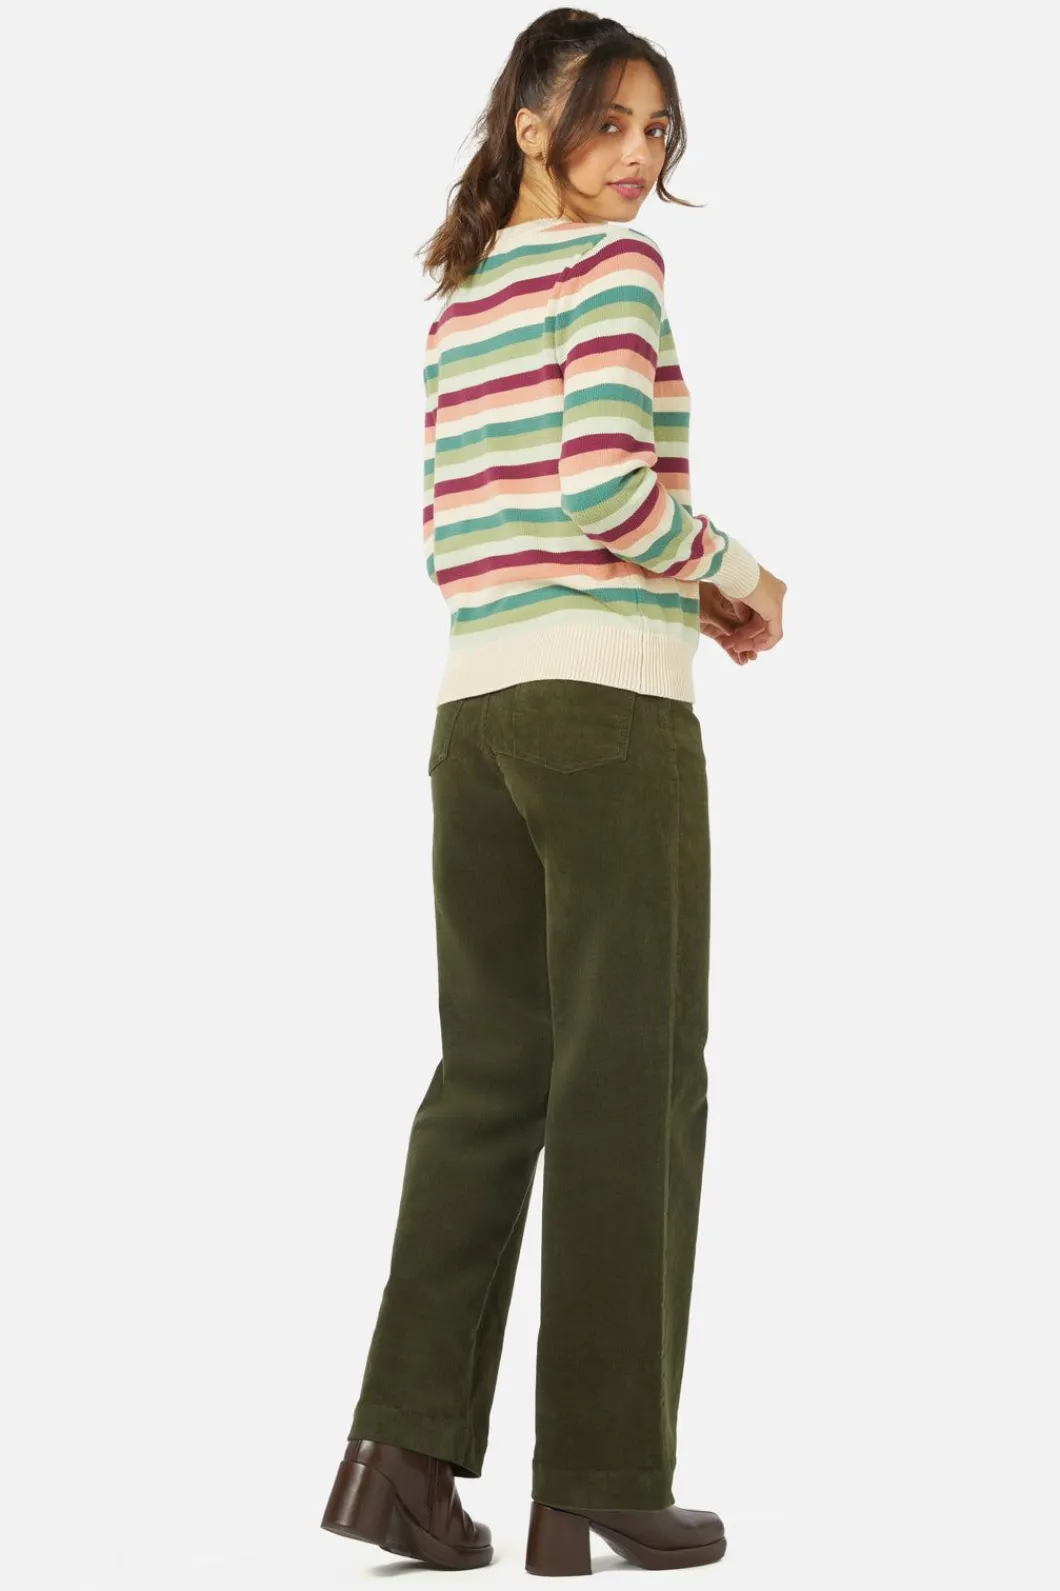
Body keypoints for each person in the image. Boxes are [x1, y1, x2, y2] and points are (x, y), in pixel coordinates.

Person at [320, 7, 786, 1575]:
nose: (640, 156)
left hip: (476, 715)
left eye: (660, 131)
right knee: (631, 1077)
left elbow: (470, 522)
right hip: (606, 725)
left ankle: (397, 1459)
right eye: (612, 120)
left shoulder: (460, 298)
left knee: (490, 1075)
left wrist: (672, 589)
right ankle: (598, 1470)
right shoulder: (615, 270)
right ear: (532, 121)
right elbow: (602, 483)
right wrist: (737, 571)